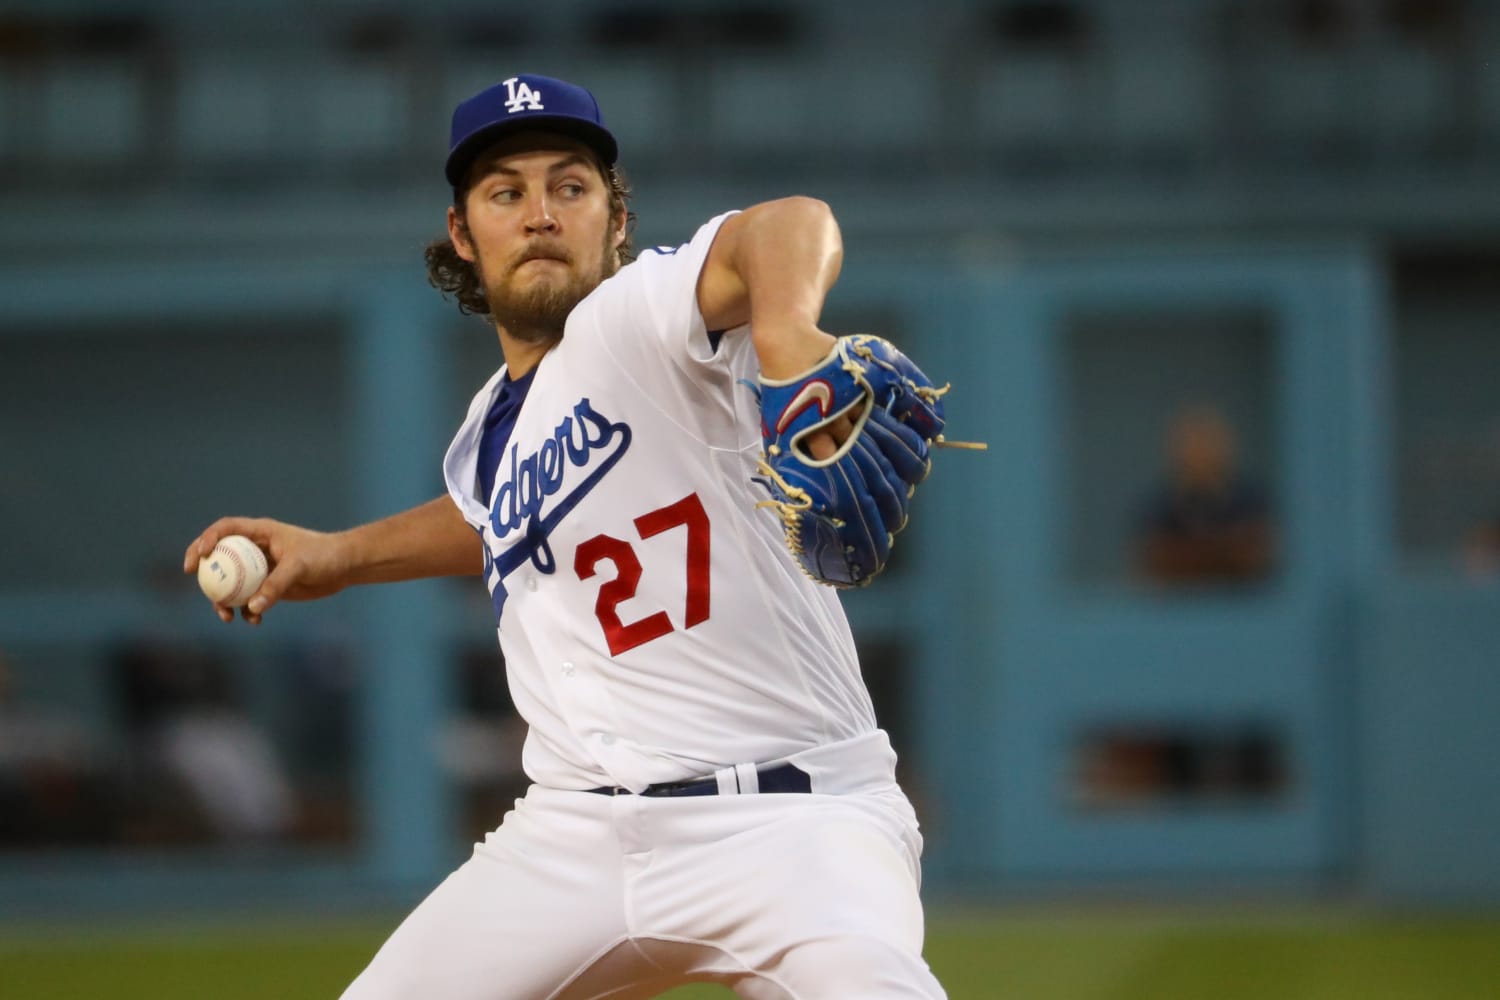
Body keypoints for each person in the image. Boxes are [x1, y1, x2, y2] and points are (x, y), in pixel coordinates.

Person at [183, 74, 947, 998]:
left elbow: (786, 221)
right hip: (576, 834)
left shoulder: (640, 321)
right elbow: (496, 518)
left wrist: (786, 336)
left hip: (793, 821)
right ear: (465, 234)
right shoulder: (487, 434)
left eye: (570, 187)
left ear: (615, 221)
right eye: (507, 192)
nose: (540, 213)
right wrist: (337, 556)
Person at [1137, 405, 1275, 585]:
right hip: (1179, 609)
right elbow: (1154, 560)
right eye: (1191, 442)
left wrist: (1190, 554)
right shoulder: (1159, 505)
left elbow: (1256, 555)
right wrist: (1223, 551)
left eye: (1207, 441)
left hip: (1242, 607)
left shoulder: (1250, 500)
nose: (1199, 450)